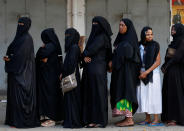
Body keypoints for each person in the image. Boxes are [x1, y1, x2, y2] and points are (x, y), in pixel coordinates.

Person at [4, 17, 40, 128]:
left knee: (19, 97)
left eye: (22, 24)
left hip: (24, 74)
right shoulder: (19, 38)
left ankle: (19, 121)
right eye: (19, 23)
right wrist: (9, 57)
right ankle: (13, 120)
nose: (20, 26)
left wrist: (10, 59)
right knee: (14, 97)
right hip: (16, 72)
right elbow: (13, 51)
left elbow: (21, 57)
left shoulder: (26, 39)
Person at [81, 16, 113, 128]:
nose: (94, 26)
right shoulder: (98, 37)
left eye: (96, 24)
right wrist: (84, 57)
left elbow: (89, 51)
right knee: (93, 95)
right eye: (93, 23)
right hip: (93, 70)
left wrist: (84, 55)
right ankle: (92, 119)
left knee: (97, 95)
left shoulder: (101, 37)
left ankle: (98, 120)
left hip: (97, 71)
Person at [110, 18, 140, 127]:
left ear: (128, 27)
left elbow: (128, 55)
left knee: (126, 94)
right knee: (122, 93)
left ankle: (129, 119)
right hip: (121, 73)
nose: (120, 27)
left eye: (123, 25)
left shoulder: (129, 41)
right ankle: (126, 118)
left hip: (127, 73)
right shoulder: (122, 40)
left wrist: (114, 61)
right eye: (119, 25)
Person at [36, 28, 64, 127]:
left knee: (49, 96)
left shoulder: (50, 46)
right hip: (53, 75)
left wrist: (41, 49)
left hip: (49, 77)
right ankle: (57, 117)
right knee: (54, 95)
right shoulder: (55, 45)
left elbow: (39, 55)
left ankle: (52, 119)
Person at [136, 26, 163, 126]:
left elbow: (158, 61)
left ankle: (156, 119)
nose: (150, 36)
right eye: (147, 34)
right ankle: (147, 119)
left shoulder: (155, 45)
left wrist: (146, 72)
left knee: (154, 95)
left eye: (151, 34)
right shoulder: (138, 45)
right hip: (141, 73)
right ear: (143, 35)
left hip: (152, 73)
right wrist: (140, 72)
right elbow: (137, 59)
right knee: (144, 95)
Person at [161, 23, 184, 126]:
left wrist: (167, 66)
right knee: (168, 93)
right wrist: (164, 65)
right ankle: (168, 116)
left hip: (177, 72)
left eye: (175, 29)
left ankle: (175, 118)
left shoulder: (182, 41)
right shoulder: (173, 42)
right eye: (172, 28)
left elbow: (177, 57)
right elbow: (169, 56)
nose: (172, 30)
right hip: (169, 72)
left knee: (175, 94)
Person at [61, 28, 82, 128]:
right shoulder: (74, 47)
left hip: (71, 77)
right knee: (70, 99)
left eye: (68, 35)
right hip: (72, 76)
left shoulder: (74, 48)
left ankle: (73, 121)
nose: (66, 38)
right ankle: (70, 120)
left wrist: (64, 73)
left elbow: (71, 64)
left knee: (72, 99)